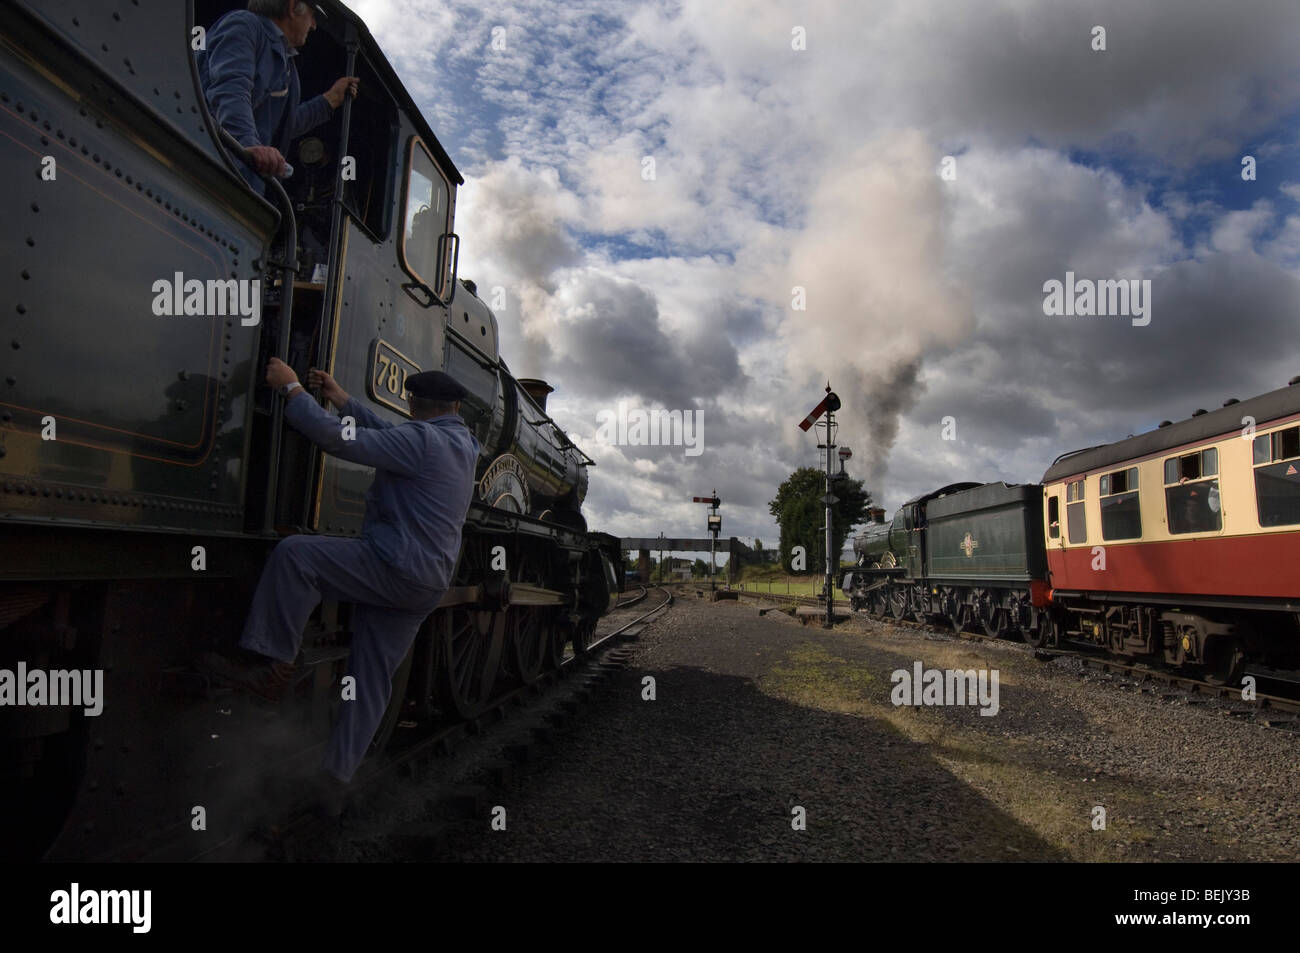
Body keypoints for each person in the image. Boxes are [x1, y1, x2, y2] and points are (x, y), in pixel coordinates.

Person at [205, 359, 479, 815]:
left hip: (393, 567)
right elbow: (394, 437)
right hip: (426, 583)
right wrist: (342, 399)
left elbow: (339, 439)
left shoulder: (422, 440)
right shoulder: (461, 443)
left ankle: (273, 664)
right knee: (370, 680)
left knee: (296, 555)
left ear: (413, 404)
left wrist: (292, 388)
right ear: (452, 406)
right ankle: (334, 779)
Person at [196, 1, 358, 190]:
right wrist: (248, 145)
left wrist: (329, 101)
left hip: (244, 183)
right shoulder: (245, 25)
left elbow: (284, 125)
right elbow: (230, 90)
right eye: (312, 15)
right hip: (208, 166)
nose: (314, 25)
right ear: (293, 7)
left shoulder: (289, 70)